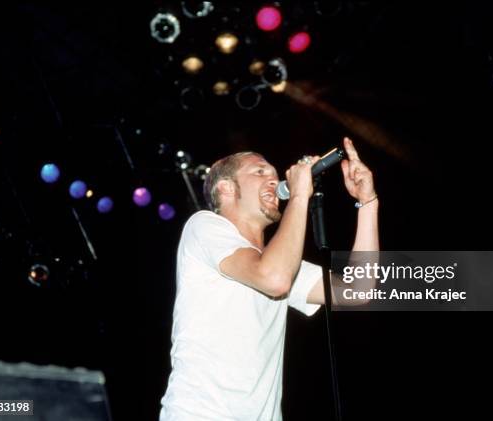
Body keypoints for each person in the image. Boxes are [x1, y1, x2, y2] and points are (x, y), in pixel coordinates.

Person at [159, 137, 379, 420]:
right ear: (226, 188)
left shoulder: (278, 261)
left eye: (275, 175)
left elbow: (357, 290)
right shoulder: (203, 226)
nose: (274, 180)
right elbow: (274, 279)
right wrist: (299, 196)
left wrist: (368, 203)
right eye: (260, 171)